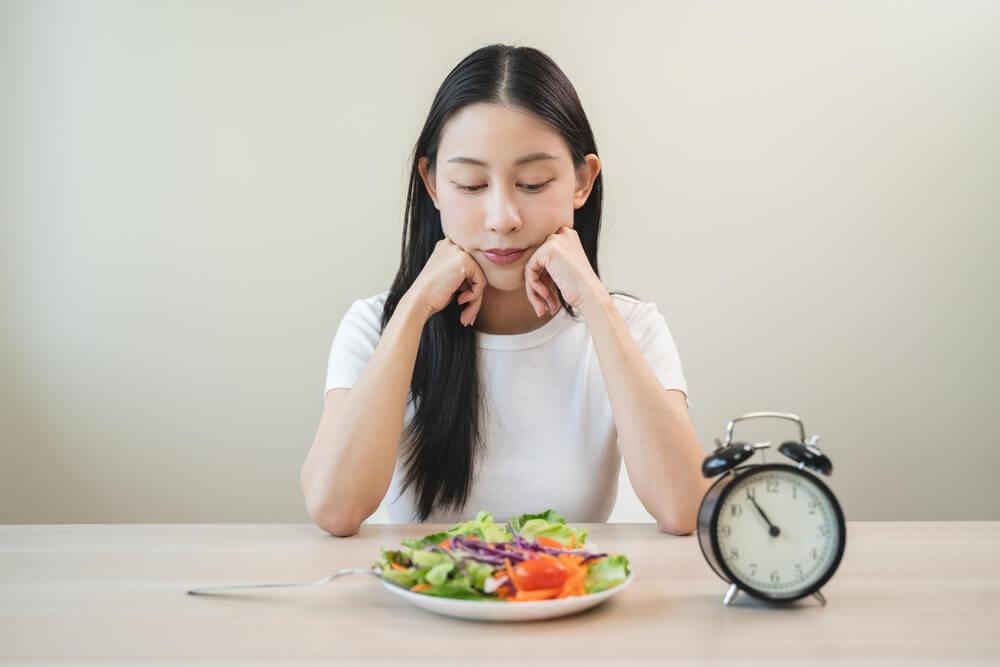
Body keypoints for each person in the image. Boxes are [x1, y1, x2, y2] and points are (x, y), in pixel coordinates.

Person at [301, 44, 710, 537]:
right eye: (471, 185)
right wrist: (414, 309)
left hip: (566, 604)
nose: (503, 220)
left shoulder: (635, 328)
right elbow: (333, 508)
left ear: (582, 182)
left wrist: (595, 304)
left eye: (534, 183)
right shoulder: (375, 325)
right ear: (433, 185)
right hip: (420, 611)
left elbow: (686, 508)